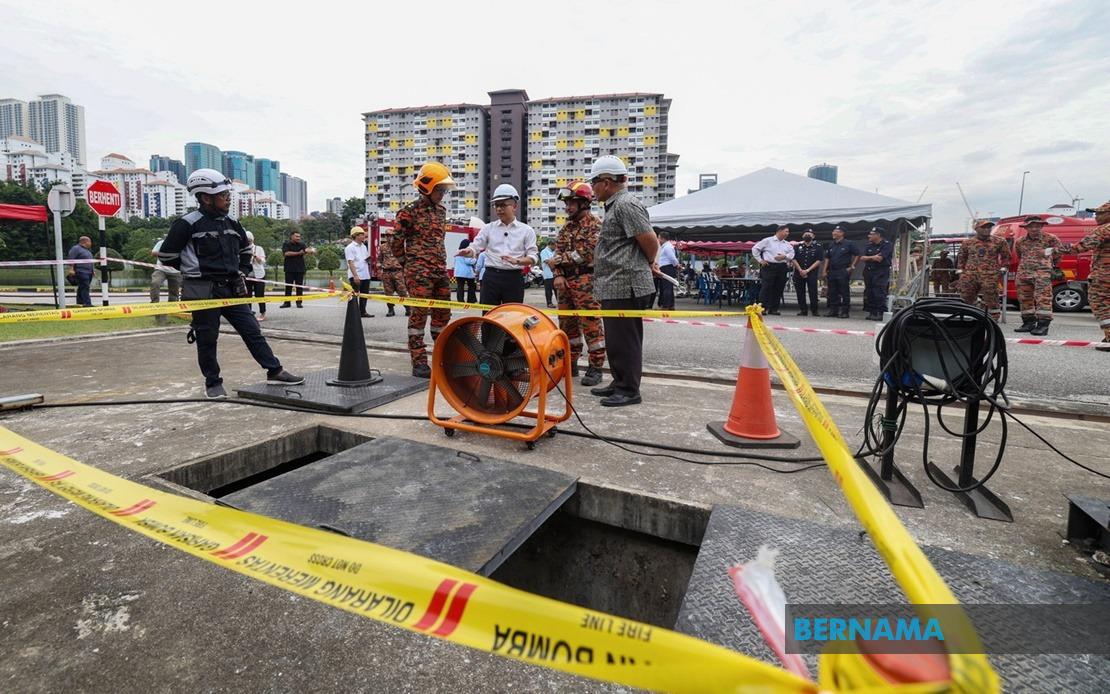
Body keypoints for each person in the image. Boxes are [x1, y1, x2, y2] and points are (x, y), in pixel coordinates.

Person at [157, 168, 302, 399]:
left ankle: (274, 370)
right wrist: (193, 271)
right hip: (203, 290)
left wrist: (243, 271)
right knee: (207, 338)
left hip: (232, 287)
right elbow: (166, 256)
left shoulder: (233, 222)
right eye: (223, 195)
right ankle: (212, 382)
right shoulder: (186, 224)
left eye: (227, 194)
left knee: (252, 331)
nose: (228, 199)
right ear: (206, 197)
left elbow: (246, 250)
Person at [586, 155, 659, 407]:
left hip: (626, 285)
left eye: (594, 182)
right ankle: (620, 382)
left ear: (607, 182)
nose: (592, 188)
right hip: (615, 284)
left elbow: (649, 240)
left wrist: (648, 263)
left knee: (626, 340)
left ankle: (629, 389)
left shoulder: (626, 204)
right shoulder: (615, 205)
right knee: (616, 340)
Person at [392, 161, 455, 378]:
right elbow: (396, 244)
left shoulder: (441, 212)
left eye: (444, 190)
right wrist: (409, 266)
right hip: (419, 275)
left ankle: (443, 356)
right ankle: (419, 362)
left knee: (443, 316)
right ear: (427, 187)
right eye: (440, 189)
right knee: (418, 318)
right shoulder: (408, 213)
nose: (443, 194)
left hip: (440, 272)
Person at [548, 180, 606, 387]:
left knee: (591, 324)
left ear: (584, 202)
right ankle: (570, 363)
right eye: (567, 203)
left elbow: (586, 254)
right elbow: (557, 255)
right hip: (564, 283)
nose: (567, 207)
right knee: (566, 326)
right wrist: (557, 274)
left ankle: (596, 367)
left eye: (572, 202)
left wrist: (559, 261)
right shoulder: (566, 228)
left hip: (586, 280)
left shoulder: (596, 225)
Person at [457, 184, 538, 306]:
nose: (499, 209)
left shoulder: (526, 230)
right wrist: (469, 251)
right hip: (491, 277)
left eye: (503, 205)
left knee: (511, 317)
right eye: (496, 205)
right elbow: (476, 246)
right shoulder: (488, 228)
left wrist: (518, 261)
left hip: (514, 278)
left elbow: (533, 257)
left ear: (514, 206)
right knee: (489, 316)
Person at [1063, 201, 1110, 351]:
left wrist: (1055, 250)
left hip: (1104, 276)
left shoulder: (1104, 229)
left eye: (1100, 213)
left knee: (1101, 305)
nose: (1096, 215)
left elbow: (1082, 246)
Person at [1013, 215, 1063, 336]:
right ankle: (1028, 322)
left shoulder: (1051, 239)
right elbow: (1020, 255)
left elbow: (1059, 253)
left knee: (1043, 299)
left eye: (1037, 226)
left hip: (1042, 274)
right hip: (1024, 274)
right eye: (1031, 226)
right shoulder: (1020, 241)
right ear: (1026, 228)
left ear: (1041, 226)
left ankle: (1043, 325)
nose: (1035, 229)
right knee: (1024, 299)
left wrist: (1049, 265)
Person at [956, 220, 1009, 321]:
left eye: (989, 227)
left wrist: (1004, 268)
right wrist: (960, 271)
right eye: (983, 227)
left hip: (990, 275)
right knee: (966, 296)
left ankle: (992, 319)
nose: (987, 229)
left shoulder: (999, 241)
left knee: (991, 298)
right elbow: (962, 257)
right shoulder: (967, 242)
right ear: (976, 229)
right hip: (970, 275)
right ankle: (967, 318)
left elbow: (1006, 256)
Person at [752, 226, 794, 315]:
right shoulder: (767, 240)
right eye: (786, 231)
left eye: (788, 232)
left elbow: (792, 254)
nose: (788, 233)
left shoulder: (787, 244)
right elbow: (755, 249)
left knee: (778, 288)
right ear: (779, 231)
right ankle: (762, 308)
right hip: (769, 266)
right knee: (766, 287)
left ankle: (774, 309)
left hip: (782, 266)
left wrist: (785, 256)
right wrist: (760, 260)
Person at [822, 225, 858, 318]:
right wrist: (824, 270)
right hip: (832, 271)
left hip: (843, 270)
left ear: (842, 233)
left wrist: (852, 267)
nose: (833, 233)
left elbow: (858, 255)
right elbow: (827, 258)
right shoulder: (831, 244)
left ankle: (845, 312)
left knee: (844, 292)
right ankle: (833, 311)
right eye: (833, 231)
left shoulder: (849, 243)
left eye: (836, 231)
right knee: (832, 292)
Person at [860, 227, 894, 321]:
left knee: (879, 292)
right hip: (869, 271)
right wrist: (873, 257)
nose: (869, 236)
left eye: (871, 234)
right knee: (869, 292)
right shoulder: (869, 245)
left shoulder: (887, 245)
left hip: (881, 271)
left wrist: (869, 257)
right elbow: (862, 258)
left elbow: (880, 258)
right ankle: (872, 312)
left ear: (878, 235)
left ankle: (880, 312)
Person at [150, 236, 183, 325]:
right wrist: (166, 253)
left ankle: (169, 316)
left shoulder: (181, 244)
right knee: (155, 283)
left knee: (174, 293)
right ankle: (154, 305)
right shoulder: (161, 243)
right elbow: (153, 253)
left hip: (175, 271)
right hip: (161, 269)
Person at [792, 230, 824, 316]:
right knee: (800, 292)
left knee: (813, 292)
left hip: (812, 272)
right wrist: (800, 270)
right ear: (802, 236)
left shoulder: (818, 247)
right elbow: (793, 259)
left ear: (813, 236)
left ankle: (814, 310)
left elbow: (819, 260)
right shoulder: (797, 246)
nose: (807, 235)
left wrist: (807, 270)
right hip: (799, 272)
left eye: (809, 234)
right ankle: (803, 310)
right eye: (805, 234)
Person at [378, 226, 408, 317]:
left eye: (391, 235)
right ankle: (390, 310)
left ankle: (408, 308)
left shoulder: (400, 247)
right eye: (387, 235)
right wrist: (380, 271)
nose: (389, 237)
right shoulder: (382, 247)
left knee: (402, 291)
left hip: (398, 272)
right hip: (387, 272)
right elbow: (380, 259)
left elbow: (406, 259)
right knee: (388, 293)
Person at [279, 230, 314, 308]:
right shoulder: (286, 244)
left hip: (300, 269)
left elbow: (306, 250)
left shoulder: (302, 244)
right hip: (289, 269)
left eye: (299, 236)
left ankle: (299, 302)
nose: (299, 238)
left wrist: (311, 251)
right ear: (291, 236)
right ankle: (287, 302)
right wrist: (299, 253)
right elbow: (286, 253)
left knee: (299, 287)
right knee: (288, 286)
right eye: (297, 236)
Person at [344, 227, 374, 318]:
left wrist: (370, 260)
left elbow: (364, 259)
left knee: (364, 295)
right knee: (354, 295)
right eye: (361, 234)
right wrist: (355, 276)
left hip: (365, 274)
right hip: (356, 275)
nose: (363, 236)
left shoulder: (364, 246)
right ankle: (353, 313)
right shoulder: (350, 247)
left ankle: (363, 312)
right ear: (355, 236)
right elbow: (350, 262)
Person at [65, 236, 94, 307]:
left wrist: (92, 270)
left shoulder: (87, 251)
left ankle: (80, 302)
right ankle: (87, 303)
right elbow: (71, 258)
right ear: (85, 242)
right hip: (81, 271)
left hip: (88, 272)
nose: (91, 243)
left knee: (82, 287)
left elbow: (90, 261)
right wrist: (71, 268)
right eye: (90, 242)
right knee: (85, 287)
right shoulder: (76, 248)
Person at [246, 231, 267, 321]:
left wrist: (255, 256)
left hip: (259, 275)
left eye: (249, 240)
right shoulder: (241, 249)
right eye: (247, 240)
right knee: (247, 295)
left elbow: (262, 261)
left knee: (259, 295)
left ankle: (263, 313)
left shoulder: (258, 248)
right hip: (247, 275)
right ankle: (248, 313)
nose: (248, 242)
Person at [655, 230, 678, 310]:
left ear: (662, 238)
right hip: (665, 268)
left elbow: (672, 258)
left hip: (667, 268)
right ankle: (670, 305)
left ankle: (666, 306)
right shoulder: (665, 246)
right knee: (667, 287)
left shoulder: (667, 247)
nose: (658, 240)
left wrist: (677, 265)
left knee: (666, 287)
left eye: (658, 238)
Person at [453, 238, 477, 303]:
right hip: (467, 273)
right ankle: (471, 300)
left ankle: (460, 300)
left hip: (458, 272)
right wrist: (475, 259)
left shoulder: (457, 251)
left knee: (460, 286)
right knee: (471, 286)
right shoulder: (466, 252)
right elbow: (468, 261)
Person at [539, 239, 557, 308]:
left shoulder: (554, 252)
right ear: (551, 245)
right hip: (548, 274)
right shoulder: (544, 251)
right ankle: (549, 303)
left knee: (556, 289)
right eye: (555, 246)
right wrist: (555, 260)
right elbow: (546, 261)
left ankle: (559, 302)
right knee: (548, 290)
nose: (555, 247)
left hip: (555, 274)